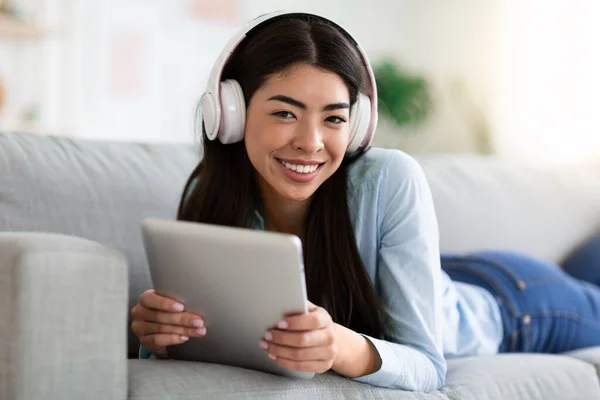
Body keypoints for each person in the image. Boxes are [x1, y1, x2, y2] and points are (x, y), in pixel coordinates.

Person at [130, 11, 600, 392]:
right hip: (445, 278)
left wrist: (340, 346)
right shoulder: (208, 194)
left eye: (333, 119)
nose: (310, 142)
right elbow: (213, 337)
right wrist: (163, 338)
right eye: (284, 113)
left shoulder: (389, 179)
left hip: (517, 306)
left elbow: (428, 368)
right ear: (230, 113)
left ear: (355, 127)